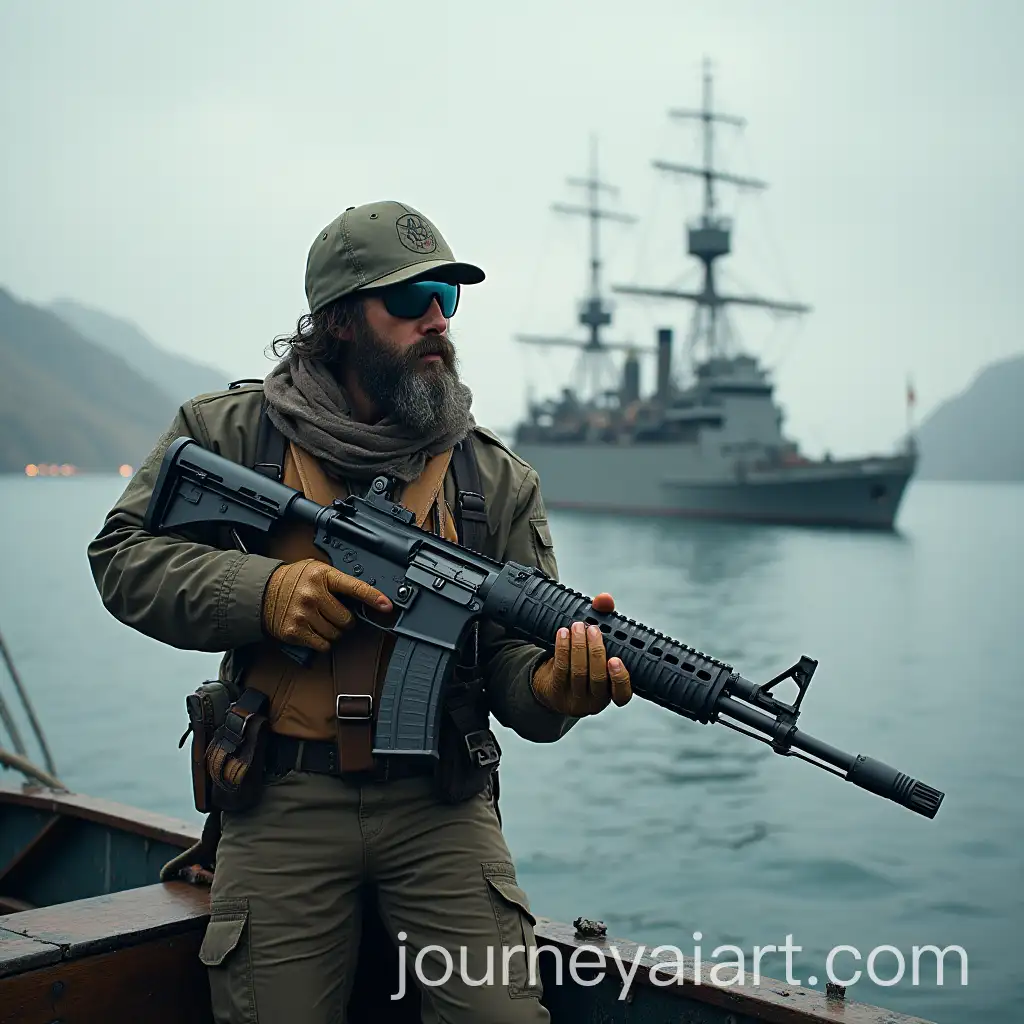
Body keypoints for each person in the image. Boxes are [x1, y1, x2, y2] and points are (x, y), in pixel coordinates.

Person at [87, 200, 632, 1024]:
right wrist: (264, 593)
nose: (436, 322)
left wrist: (555, 690)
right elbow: (121, 558)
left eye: (447, 299)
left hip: (442, 805)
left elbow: (514, 673)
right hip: (280, 797)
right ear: (338, 320)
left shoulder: (490, 477)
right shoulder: (230, 433)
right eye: (409, 302)